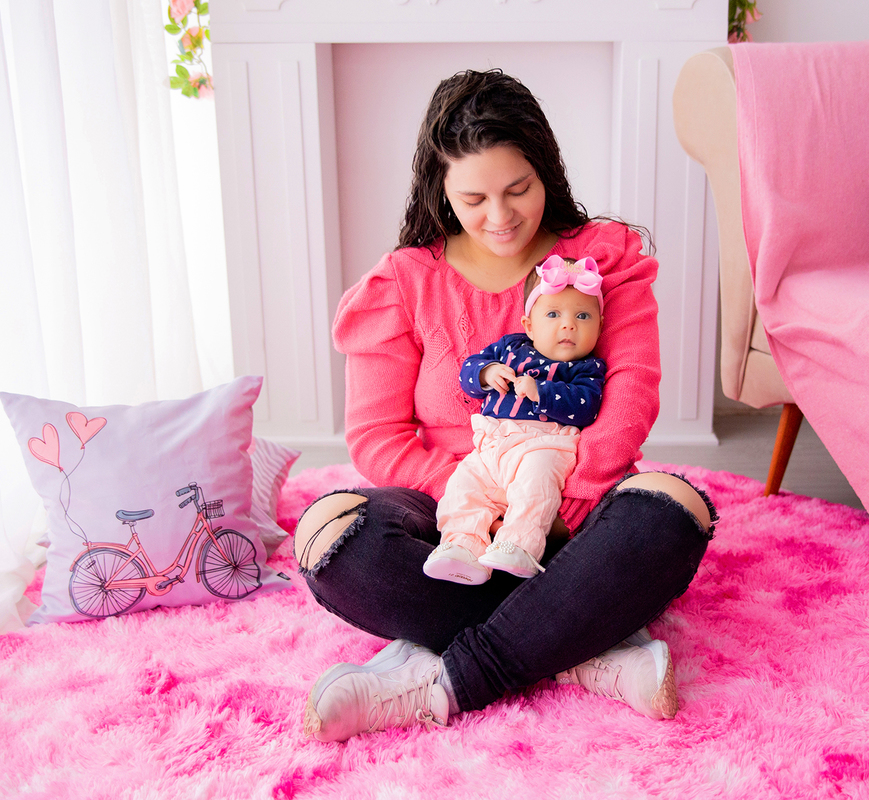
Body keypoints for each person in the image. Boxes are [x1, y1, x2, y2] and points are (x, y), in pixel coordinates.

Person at [293, 68, 716, 743]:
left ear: (544, 170)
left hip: (573, 506)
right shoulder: (403, 281)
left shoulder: (600, 259)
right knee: (327, 533)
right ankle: (581, 648)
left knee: (675, 511)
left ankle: (444, 681)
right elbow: (377, 437)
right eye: (474, 198)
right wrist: (486, 496)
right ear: (441, 189)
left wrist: (560, 502)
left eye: (517, 189)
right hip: (450, 515)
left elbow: (633, 387)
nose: (500, 217)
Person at [424, 255, 608, 584]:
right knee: (463, 489)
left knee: (535, 490)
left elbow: (587, 407)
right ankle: (461, 547)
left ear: (600, 324)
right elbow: (468, 370)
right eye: (553, 314)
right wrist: (486, 372)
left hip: (544, 444)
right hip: (491, 445)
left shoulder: (585, 368)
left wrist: (543, 392)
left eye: (583, 315)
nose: (568, 325)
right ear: (529, 325)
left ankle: (519, 545)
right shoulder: (510, 348)